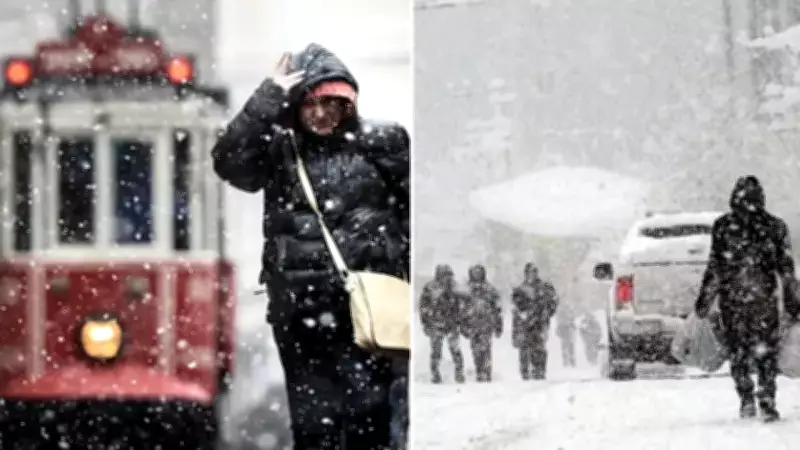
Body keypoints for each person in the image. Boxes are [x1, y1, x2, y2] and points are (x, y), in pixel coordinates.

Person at [211, 43, 410, 449]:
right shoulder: (281, 150)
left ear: (349, 103)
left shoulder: (384, 142)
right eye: (310, 104)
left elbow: (413, 213)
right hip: (301, 314)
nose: (320, 114)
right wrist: (268, 94)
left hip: (368, 310)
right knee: (315, 427)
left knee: (369, 420)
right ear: (294, 107)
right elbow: (230, 162)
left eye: (331, 103)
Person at [695, 175, 800, 422]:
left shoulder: (723, 227)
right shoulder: (775, 227)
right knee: (766, 353)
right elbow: (786, 270)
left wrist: (704, 300)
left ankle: (746, 399)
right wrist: (794, 303)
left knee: (738, 351)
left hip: (733, 300)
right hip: (764, 300)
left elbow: (715, 267)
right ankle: (767, 399)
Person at [419, 264, 466, 384]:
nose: (447, 277)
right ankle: (435, 375)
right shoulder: (430, 287)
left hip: (452, 325)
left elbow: (463, 305)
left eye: (449, 275)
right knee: (436, 352)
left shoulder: (456, 287)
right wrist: (425, 323)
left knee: (456, 350)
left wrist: (461, 321)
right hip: (436, 325)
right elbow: (423, 307)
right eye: (445, 275)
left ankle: (459, 374)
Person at [512, 263, 559, 380]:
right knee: (524, 348)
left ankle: (539, 371)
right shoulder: (520, 289)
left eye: (533, 272)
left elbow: (553, 302)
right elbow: (516, 307)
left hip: (540, 323)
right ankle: (525, 372)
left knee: (539, 348)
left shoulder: (545, 288)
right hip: (524, 323)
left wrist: (546, 313)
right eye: (529, 272)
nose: (531, 275)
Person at [460, 264, 502, 382]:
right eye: (475, 273)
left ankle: (487, 372)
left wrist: (498, 325)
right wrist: (463, 325)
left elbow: (497, 309)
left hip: (486, 324)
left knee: (486, 349)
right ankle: (479, 371)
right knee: (475, 350)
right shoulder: (466, 290)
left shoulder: (490, 289)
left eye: (479, 272)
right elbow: (461, 309)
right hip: (472, 324)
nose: (477, 275)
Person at [555, 303, 577, 368]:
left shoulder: (568, 309)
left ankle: (570, 361)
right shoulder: (562, 310)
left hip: (568, 329)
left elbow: (573, 318)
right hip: (564, 329)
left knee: (569, 345)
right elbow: (558, 320)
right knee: (566, 346)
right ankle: (567, 362)